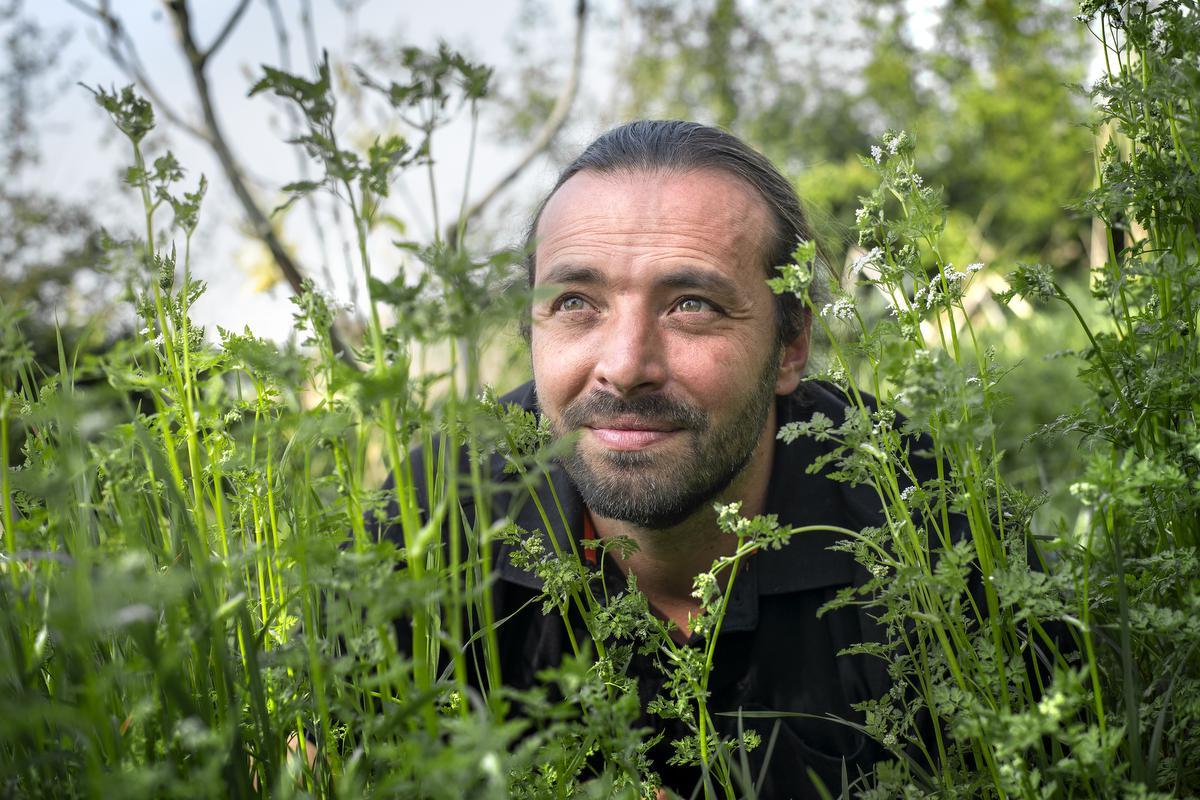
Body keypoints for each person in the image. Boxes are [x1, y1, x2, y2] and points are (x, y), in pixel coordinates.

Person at [383, 120, 930, 797]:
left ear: (790, 346)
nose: (624, 366)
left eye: (691, 305)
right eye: (575, 302)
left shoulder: (917, 510)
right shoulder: (434, 510)